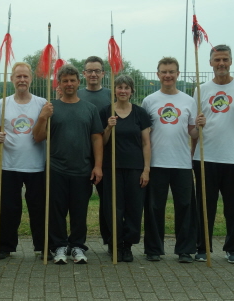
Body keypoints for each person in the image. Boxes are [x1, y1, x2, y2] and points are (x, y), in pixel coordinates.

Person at [192, 45, 234, 264]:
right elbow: (194, 126)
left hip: (233, 157)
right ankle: (202, 247)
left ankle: (233, 249)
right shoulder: (201, 89)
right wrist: (198, 124)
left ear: (231, 62)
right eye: (217, 59)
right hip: (205, 157)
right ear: (210, 62)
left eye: (225, 59)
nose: (221, 63)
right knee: (204, 206)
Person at [33, 64, 103, 265]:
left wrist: (97, 166)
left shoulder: (90, 109)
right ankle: (59, 246)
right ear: (60, 84)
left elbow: (97, 139)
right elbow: (37, 137)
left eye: (73, 80)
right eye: (65, 81)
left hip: (82, 169)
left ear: (78, 83)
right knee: (56, 211)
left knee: (79, 211)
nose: (69, 84)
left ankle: (78, 246)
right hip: (56, 169)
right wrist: (42, 117)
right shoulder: (51, 108)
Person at [141, 57, 205, 263]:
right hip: (156, 163)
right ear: (158, 74)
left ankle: (185, 249)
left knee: (185, 207)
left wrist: (199, 127)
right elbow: (144, 136)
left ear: (178, 74)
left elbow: (193, 134)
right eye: (164, 71)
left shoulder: (189, 101)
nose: (168, 75)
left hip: (182, 163)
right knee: (154, 208)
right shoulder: (149, 101)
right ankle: (153, 249)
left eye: (171, 71)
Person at [0, 62, 47, 259]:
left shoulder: (41, 103)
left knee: (38, 208)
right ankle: (5, 247)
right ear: (12, 79)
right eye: (18, 76)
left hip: (37, 165)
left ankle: (43, 246)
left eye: (25, 76)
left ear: (31, 79)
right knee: (9, 208)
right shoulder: (3, 104)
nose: (22, 80)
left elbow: (46, 131)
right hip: (10, 164)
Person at [100, 75, 151, 262]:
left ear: (131, 91)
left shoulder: (140, 113)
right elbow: (101, 142)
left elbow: (146, 143)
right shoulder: (105, 112)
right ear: (114, 90)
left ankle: (128, 245)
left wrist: (146, 169)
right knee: (114, 208)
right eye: (119, 87)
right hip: (112, 167)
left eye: (126, 88)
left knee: (133, 208)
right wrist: (108, 127)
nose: (123, 91)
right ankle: (116, 244)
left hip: (135, 168)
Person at [77, 56, 111, 249]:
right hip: (82, 156)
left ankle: (109, 239)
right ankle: (77, 241)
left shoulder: (110, 95)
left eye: (97, 71)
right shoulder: (78, 94)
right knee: (79, 201)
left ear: (103, 73)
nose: (93, 74)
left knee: (107, 201)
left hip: (106, 156)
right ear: (84, 74)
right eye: (89, 71)